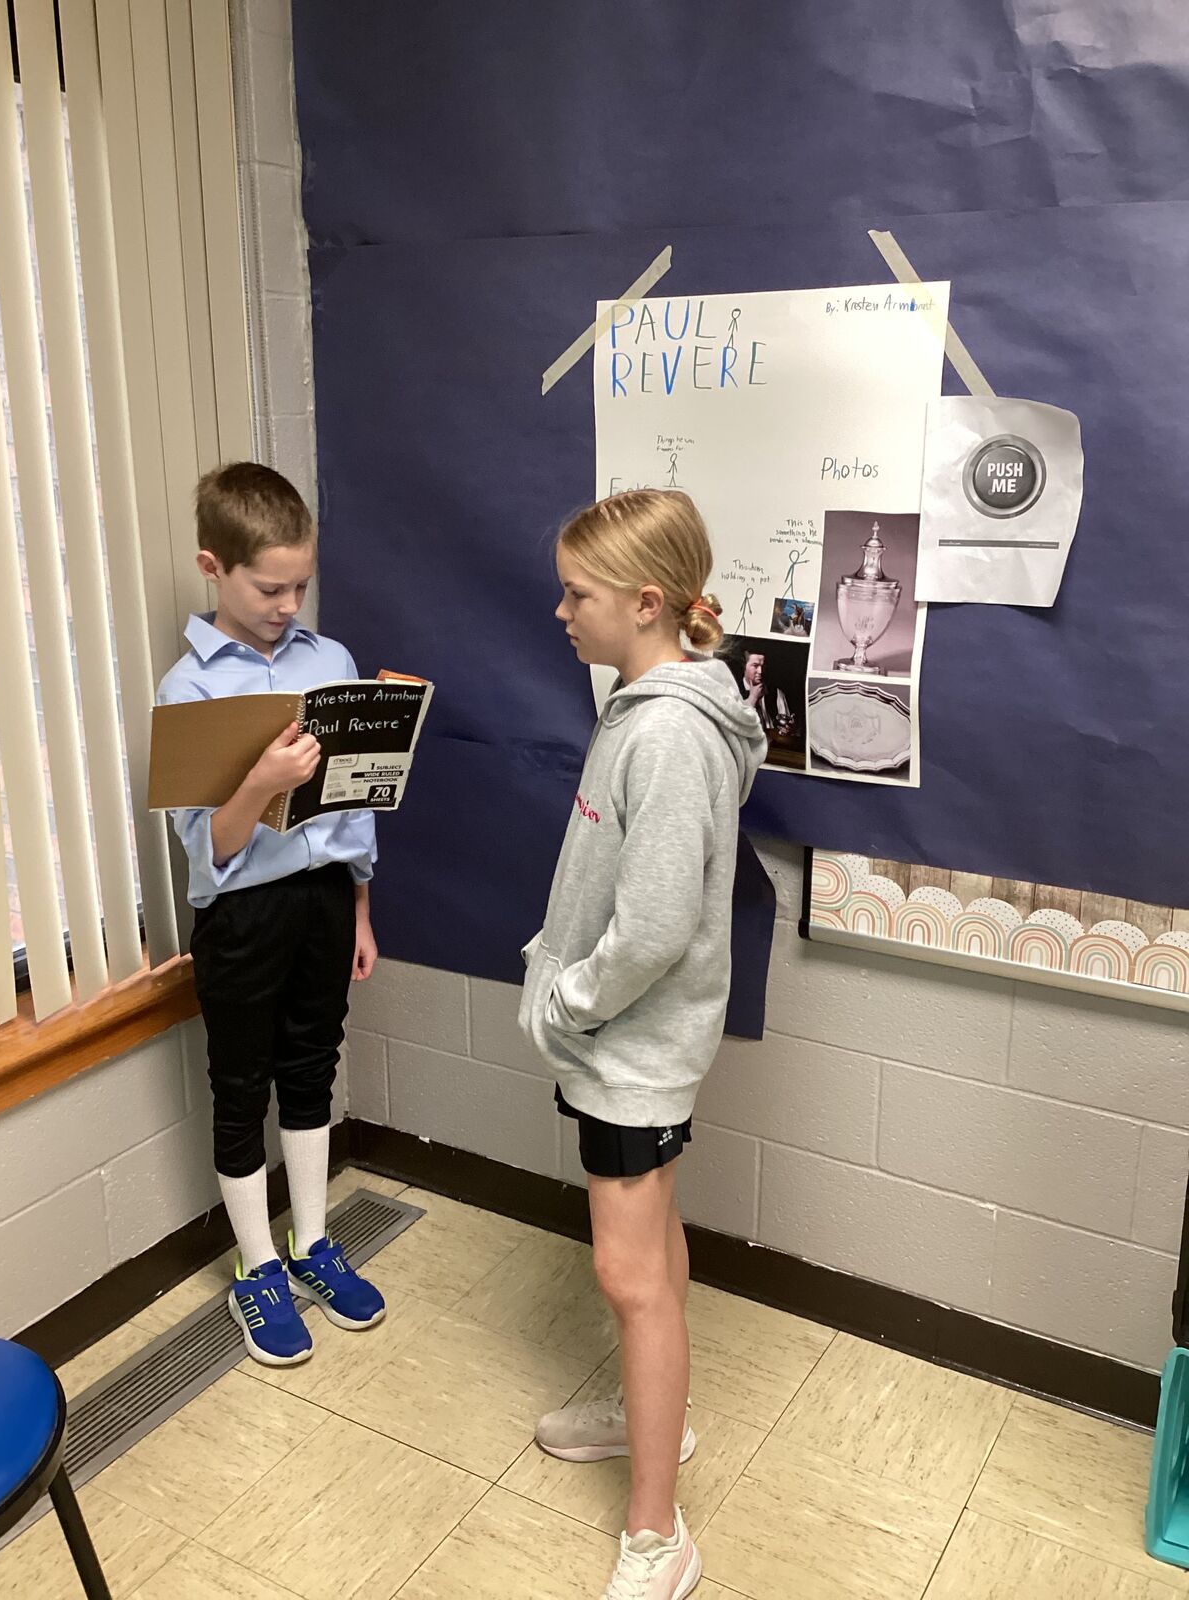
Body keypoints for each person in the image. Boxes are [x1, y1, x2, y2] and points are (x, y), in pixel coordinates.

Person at [519, 489, 765, 1600]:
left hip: (630, 1046)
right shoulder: (652, 701)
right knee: (650, 1250)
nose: (561, 610)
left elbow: (656, 927)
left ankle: (660, 1537)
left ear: (647, 602)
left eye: (578, 594)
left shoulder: (667, 730)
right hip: (626, 1045)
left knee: (628, 1274)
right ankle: (647, 1415)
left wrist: (569, 997)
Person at [157, 462, 386, 1367]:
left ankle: (312, 1242)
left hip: (327, 900)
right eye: (269, 586)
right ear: (213, 566)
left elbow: (359, 804)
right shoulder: (187, 691)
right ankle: (257, 1267)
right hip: (243, 914)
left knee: (311, 1069)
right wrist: (262, 779)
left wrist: (363, 907)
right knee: (239, 1086)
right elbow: (207, 849)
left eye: (301, 584)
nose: (289, 602)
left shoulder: (330, 663)